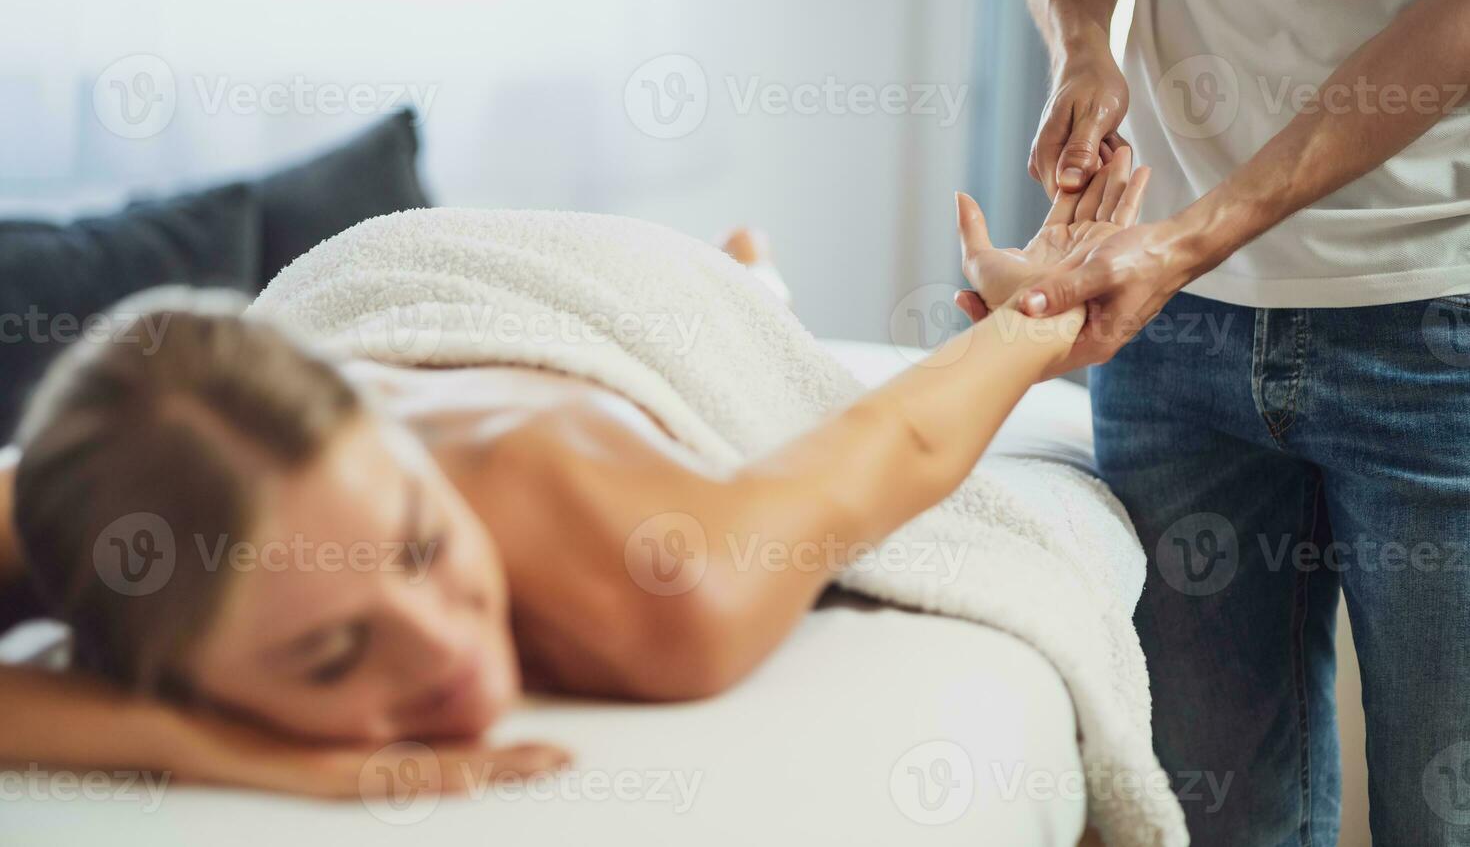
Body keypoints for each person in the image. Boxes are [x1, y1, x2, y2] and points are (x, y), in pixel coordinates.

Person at [0, 158, 1148, 798]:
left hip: (581, 296)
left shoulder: (664, 582)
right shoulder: (95, 508)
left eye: (419, 544)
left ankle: (749, 283)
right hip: (349, 317)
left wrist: (1035, 316)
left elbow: (883, 449)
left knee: (747, 324)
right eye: (332, 652)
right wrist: (213, 748)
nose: (440, 646)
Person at [1006, 0, 1470, 842]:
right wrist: (1080, 45)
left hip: (1432, 317)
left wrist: (1189, 237)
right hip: (1175, 331)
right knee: (1217, 823)